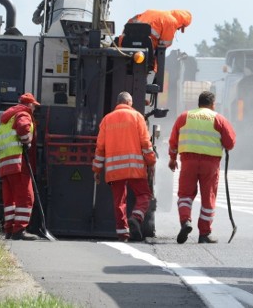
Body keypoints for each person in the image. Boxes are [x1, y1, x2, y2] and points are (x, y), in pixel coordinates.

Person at [168, 91, 236, 244]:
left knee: (185, 194)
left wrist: (172, 159)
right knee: (208, 197)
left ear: (198, 104)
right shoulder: (218, 118)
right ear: (213, 104)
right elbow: (230, 143)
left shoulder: (184, 117)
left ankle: (185, 221)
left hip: (188, 161)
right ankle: (204, 233)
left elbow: (173, 141)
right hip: (210, 163)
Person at [93, 91, 157, 242]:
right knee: (144, 195)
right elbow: (146, 144)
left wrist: (96, 169)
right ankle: (136, 217)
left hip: (115, 170)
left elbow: (100, 148)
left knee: (119, 201)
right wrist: (151, 162)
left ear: (118, 103)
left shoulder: (106, 120)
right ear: (129, 103)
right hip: (135, 168)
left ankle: (123, 233)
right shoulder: (137, 117)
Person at [0, 92, 41, 241]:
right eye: (34, 106)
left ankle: (9, 229)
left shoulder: (7, 118)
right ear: (29, 105)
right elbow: (23, 127)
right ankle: (20, 229)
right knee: (26, 197)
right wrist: (26, 141)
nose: (34, 109)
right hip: (18, 163)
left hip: (5, 164)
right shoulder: (23, 114)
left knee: (10, 200)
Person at [121, 9, 192, 51]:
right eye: (180, 28)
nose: (178, 29)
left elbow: (130, 23)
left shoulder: (150, 11)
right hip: (146, 49)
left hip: (125, 43)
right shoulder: (171, 22)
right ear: (181, 24)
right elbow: (164, 44)